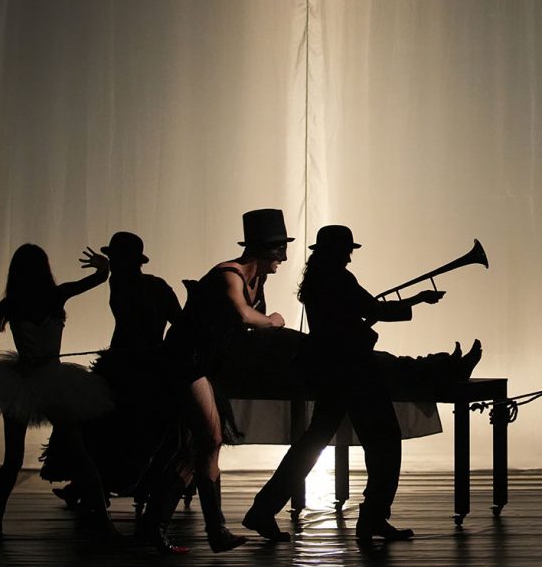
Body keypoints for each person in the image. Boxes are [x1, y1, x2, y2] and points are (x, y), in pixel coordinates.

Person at [243, 225, 444, 543]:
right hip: (355, 370)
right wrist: (418, 299)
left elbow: (356, 313)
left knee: (313, 443)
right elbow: (374, 309)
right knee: (385, 442)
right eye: (347, 250)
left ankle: (263, 509)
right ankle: (373, 517)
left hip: (329, 371)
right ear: (338, 251)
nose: (350, 256)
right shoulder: (339, 278)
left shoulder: (317, 280)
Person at [0, 243, 117, 540]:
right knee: (79, 453)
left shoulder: (12, 304)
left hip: (22, 382)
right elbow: (99, 279)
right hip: (50, 382)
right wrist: (103, 265)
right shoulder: (56, 295)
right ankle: (105, 523)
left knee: (14, 458)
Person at [151, 208, 294, 553]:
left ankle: (188, 528)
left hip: (208, 365)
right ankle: (198, 528)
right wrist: (274, 320)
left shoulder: (259, 281)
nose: (283, 259)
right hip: (186, 361)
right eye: (279, 250)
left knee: (200, 449)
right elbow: (244, 315)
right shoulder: (229, 274)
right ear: (264, 250)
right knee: (210, 438)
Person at [40, 232, 183, 524]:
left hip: (124, 368)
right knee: (105, 427)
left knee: (99, 427)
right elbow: (179, 324)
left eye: (116, 259)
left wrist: (105, 268)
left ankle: (91, 486)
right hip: (147, 367)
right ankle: (88, 486)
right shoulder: (156, 285)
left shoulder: (124, 283)